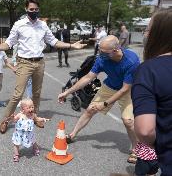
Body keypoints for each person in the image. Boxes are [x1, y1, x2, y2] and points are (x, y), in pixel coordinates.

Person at [0, 0, 86, 134]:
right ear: (26, 9)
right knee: (17, 94)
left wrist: (71, 45)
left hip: (39, 62)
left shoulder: (42, 25)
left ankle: (34, 117)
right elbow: (9, 43)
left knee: (37, 93)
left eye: (36, 9)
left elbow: (54, 42)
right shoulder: (19, 24)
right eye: (31, 9)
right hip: (24, 62)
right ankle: (5, 120)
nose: (34, 11)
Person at [58, 35, 140, 164]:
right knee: (90, 109)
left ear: (116, 49)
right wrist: (67, 92)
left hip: (127, 89)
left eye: (104, 52)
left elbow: (124, 89)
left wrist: (105, 103)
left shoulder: (132, 61)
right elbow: (87, 77)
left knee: (128, 121)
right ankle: (72, 135)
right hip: (110, 86)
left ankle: (137, 149)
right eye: (100, 50)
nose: (101, 54)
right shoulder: (102, 59)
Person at [131, 9, 172, 175]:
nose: (145, 34)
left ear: (158, 34)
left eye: (147, 30)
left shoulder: (149, 70)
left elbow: (145, 130)